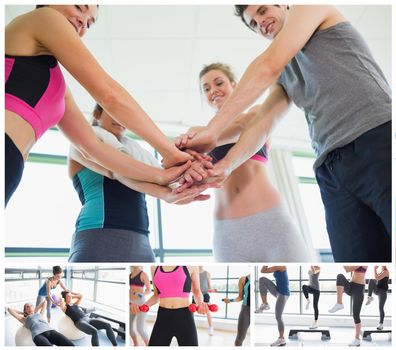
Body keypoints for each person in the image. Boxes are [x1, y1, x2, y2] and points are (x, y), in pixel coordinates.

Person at [177, 5, 392, 262]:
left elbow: (267, 66)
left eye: (263, 10)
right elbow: (263, 122)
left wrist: (212, 131)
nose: (261, 22)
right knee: (356, 262)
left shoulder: (312, 9)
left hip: (373, 136)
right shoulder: (285, 73)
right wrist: (226, 166)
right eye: (254, 23)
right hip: (329, 167)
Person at [5, 5, 196, 206]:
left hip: (11, 166)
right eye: (79, 7)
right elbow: (109, 95)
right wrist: (171, 153)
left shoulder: (58, 87)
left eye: (89, 22)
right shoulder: (43, 17)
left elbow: (92, 148)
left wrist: (163, 181)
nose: (83, 22)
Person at [176, 63, 311, 262]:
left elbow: (248, 121)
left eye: (218, 83)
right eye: (206, 89)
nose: (213, 90)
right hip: (229, 232)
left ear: (234, 85)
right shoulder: (196, 130)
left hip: (273, 221)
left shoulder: (255, 114)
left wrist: (202, 140)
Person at [67, 104, 214, 262]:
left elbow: (163, 176)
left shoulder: (135, 150)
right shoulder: (82, 143)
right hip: (98, 234)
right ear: (97, 113)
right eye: (113, 112)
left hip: (141, 240)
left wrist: (191, 168)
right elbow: (119, 173)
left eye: (124, 116)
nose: (120, 120)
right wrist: (166, 187)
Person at [129, 266, 207, 346]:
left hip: (184, 317)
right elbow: (156, 295)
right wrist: (142, 306)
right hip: (163, 317)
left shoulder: (190, 265)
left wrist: (200, 303)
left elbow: (197, 291)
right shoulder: (154, 267)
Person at [328, 266, 367, 347]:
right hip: (351, 286)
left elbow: (347, 269)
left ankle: (357, 339)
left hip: (359, 290)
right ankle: (339, 303)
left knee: (356, 315)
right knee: (340, 276)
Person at [8, 300, 74, 346]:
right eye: (27, 307)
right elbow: (9, 309)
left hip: (51, 331)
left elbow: (44, 302)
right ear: (25, 310)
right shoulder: (24, 319)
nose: (30, 307)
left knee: (70, 345)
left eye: (31, 305)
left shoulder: (40, 314)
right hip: (38, 335)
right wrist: (23, 313)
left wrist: (34, 310)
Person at [256, 266, 289, 346]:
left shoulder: (281, 266)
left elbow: (264, 270)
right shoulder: (275, 266)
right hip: (277, 290)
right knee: (262, 279)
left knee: (278, 316)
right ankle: (265, 304)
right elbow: (263, 270)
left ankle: (281, 339)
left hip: (283, 294)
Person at [223, 274, 251, 346]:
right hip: (246, 310)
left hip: (255, 310)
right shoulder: (244, 279)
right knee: (240, 338)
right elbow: (240, 297)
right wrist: (231, 300)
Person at [129, 266, 150, 346]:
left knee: (140, 328)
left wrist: (142, 293)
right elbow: (130, 290)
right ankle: (136, 344)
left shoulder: (143, 274)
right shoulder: (129, 275)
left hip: (141, 303)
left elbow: (149, 289)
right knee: (129, 328)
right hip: (131, 303)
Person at [193, 266, 215, 335]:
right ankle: (190, 327)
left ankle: (211, 328)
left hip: (205, 295)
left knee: (208, 311)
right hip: (196, 295)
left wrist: (212, 290)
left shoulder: (207, 273)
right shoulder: (193, 272)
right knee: (192, 312)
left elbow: (209, 286)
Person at [366, 265, 389, 330]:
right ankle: (370, 297)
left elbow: (377, 278)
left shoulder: (386, 271)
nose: (382, 265)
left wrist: (374, 269)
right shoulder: (380, 272)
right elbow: (375, 278)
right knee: (371, 280)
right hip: (377, 290)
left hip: (383, 292)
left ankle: (381, 324)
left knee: (381, 308)